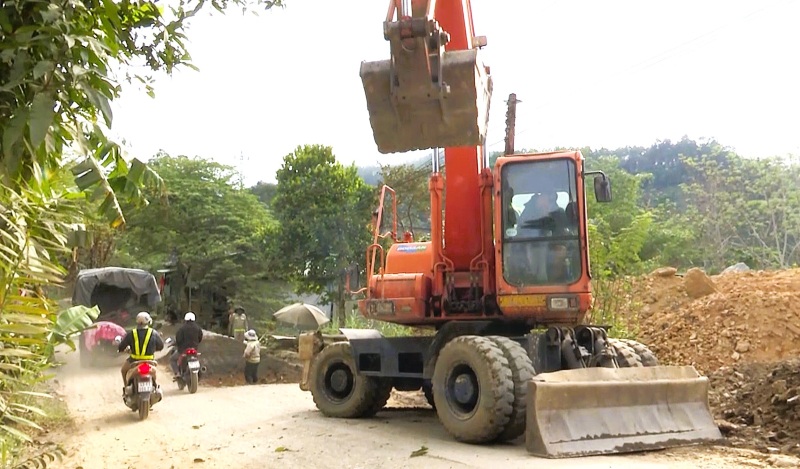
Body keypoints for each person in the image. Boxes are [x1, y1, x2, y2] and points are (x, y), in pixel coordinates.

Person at [117, 312, 165, 390]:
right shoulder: (154, 333)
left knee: (123, 370)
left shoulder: (132, 333)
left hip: (134, 361)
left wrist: (121, 349)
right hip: (149, 361)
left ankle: (126, 388)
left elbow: (121, 347)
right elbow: (161, 346)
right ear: (149, 322)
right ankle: (155, 386)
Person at [170, 311, 204, 377]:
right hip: (194, 349)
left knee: (172, 359)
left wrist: (178, 344)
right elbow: (200, 338)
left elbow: (178, 339)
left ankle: (177, 373)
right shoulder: (198, 328)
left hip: (183, 350)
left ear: (185, 319)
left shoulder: (182, 329)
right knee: (199, 359)